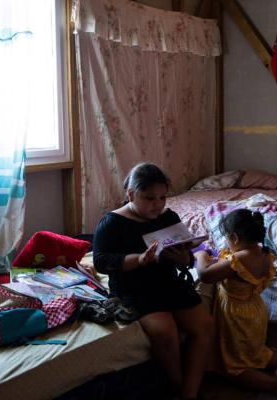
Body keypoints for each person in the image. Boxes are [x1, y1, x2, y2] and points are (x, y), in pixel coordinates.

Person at [93, 163, 214, 400]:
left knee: (205, 326)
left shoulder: (168, 217)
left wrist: (184, 258)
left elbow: (185, 258)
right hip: (134, 287)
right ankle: (178, 389)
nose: (158, 205)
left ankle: (190, 392)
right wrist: (139, 259)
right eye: (149, 198)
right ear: (131, 194)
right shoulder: (111, 223)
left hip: (168, 281)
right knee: (165, 334)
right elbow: (101, 262)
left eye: (162, 197)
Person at [194, 209, 277, 400]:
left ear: (234, 237)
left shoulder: (238, 260)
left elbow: (205, 275)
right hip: (255, 310)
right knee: (256, 353)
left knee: (235, 368)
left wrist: (201, 256)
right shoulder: (263, 253)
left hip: (235, 316)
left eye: (227, 238)